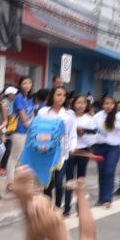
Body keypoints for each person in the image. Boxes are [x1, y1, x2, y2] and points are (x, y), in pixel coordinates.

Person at [37, 81, 77, 210]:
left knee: (59, 182)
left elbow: (72, 134)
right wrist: (40, 144)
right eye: (58, 94)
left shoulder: (69, 115)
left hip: (62, 153)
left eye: (64, 95)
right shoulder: (43, 112)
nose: (61, 97)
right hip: (46, 151)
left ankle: (58, 207)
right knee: (47, 183)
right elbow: (37, 129)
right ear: (52, 96)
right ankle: (47, 208)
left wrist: (72, 147)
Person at [62, 95, 95, 216]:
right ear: (73, 104)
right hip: (70, 151)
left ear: (86, 105)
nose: (80, 105)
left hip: (83, 151)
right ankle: (66, 208)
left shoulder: (89, 119)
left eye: (83, 103)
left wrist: (83, 134)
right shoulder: (68, 117)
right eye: (78, 103)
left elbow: (93, 138)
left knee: (81, 180)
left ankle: (79, 207)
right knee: (69, 180)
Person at [92, 94, 120, 207]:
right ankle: (101, 198)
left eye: (111, 104)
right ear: (102, 105)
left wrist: (116, 126)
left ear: (114, 105)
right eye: (106, 103)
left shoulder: (118, 117)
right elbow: (92, 128)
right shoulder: (98, 116)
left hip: (113, 147)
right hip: (99, 147)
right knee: (102, 172)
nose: (108, 106)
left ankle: (108, 198)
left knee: (109, 171)